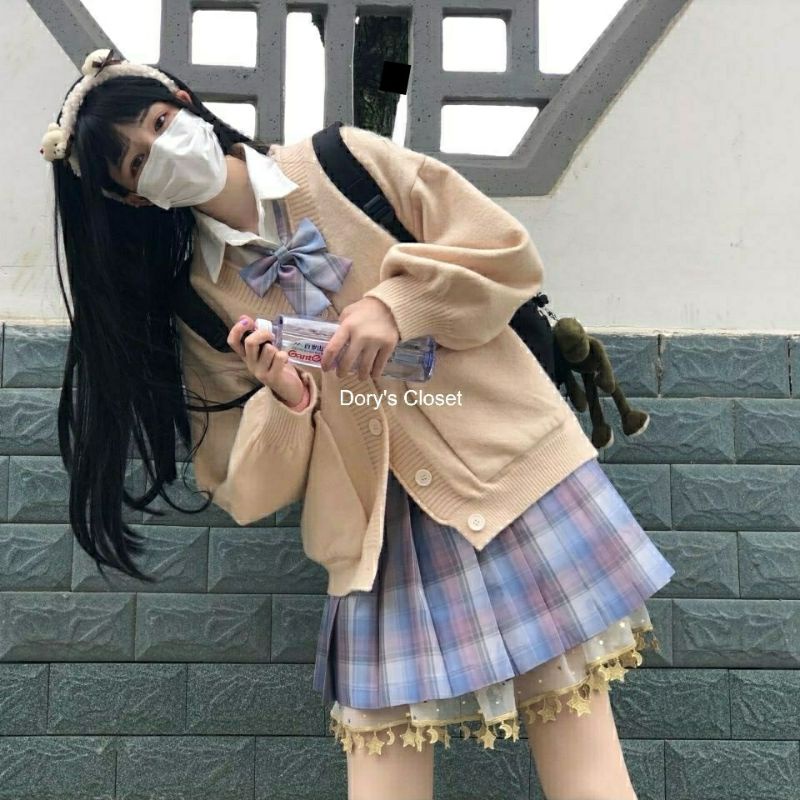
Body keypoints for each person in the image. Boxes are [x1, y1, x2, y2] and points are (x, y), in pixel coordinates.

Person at [41, 47, 676, 800]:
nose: (163, 150)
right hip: (376, 542)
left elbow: (503, 252)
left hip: (509, 483)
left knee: (585, 770)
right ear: (134, 199)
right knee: (381, 779)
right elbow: (241, 487)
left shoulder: (343, 163)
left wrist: (394, 305)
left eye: (158, 123)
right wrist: (286, 401)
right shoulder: (202, 303)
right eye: (139, 164)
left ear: (183, 100)